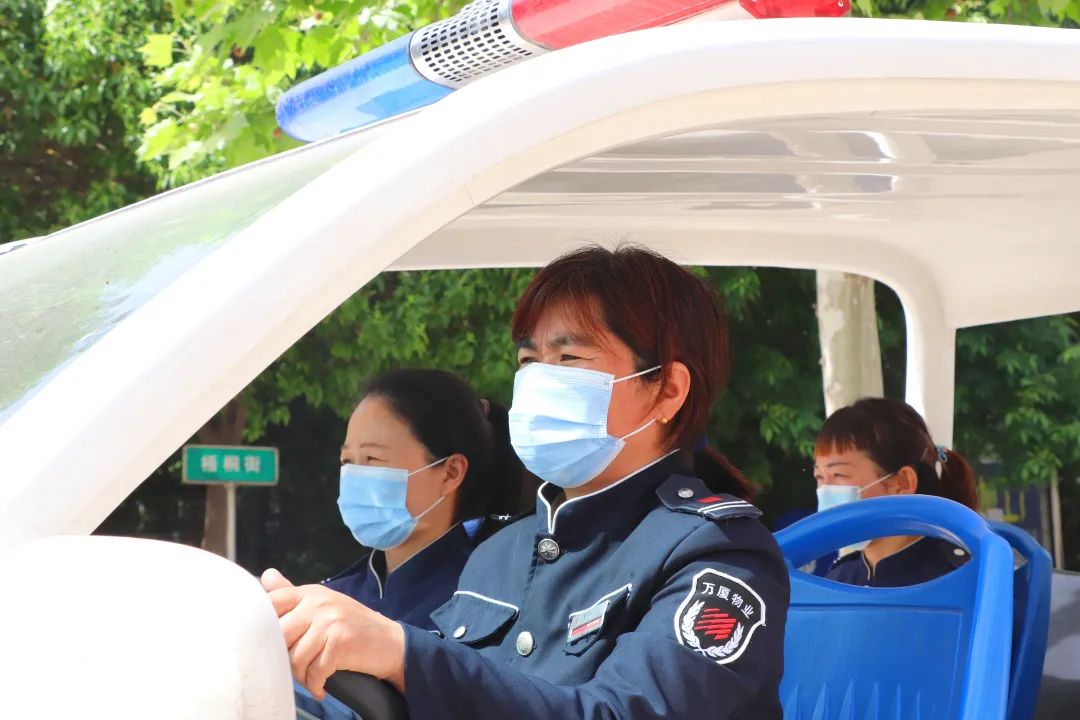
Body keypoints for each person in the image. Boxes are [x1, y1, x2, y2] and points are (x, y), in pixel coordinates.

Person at [263, 245, 790, 720]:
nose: (539, 380)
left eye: (569, 358)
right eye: (529, 361)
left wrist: (401, 650)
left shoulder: (719, 555)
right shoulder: (501, 553)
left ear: (667, 390)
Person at [295, 368, 524, 720]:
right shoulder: (332, 596)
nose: (355, 475)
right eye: (347, 461)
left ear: (450, 472)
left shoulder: (490, 603)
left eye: (373, 459)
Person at [813, 396, 980, 587]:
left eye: (839, 474)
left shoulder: (962, 577)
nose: (826, 490)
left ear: (902, 483)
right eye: (819, 477)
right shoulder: (837, 580)